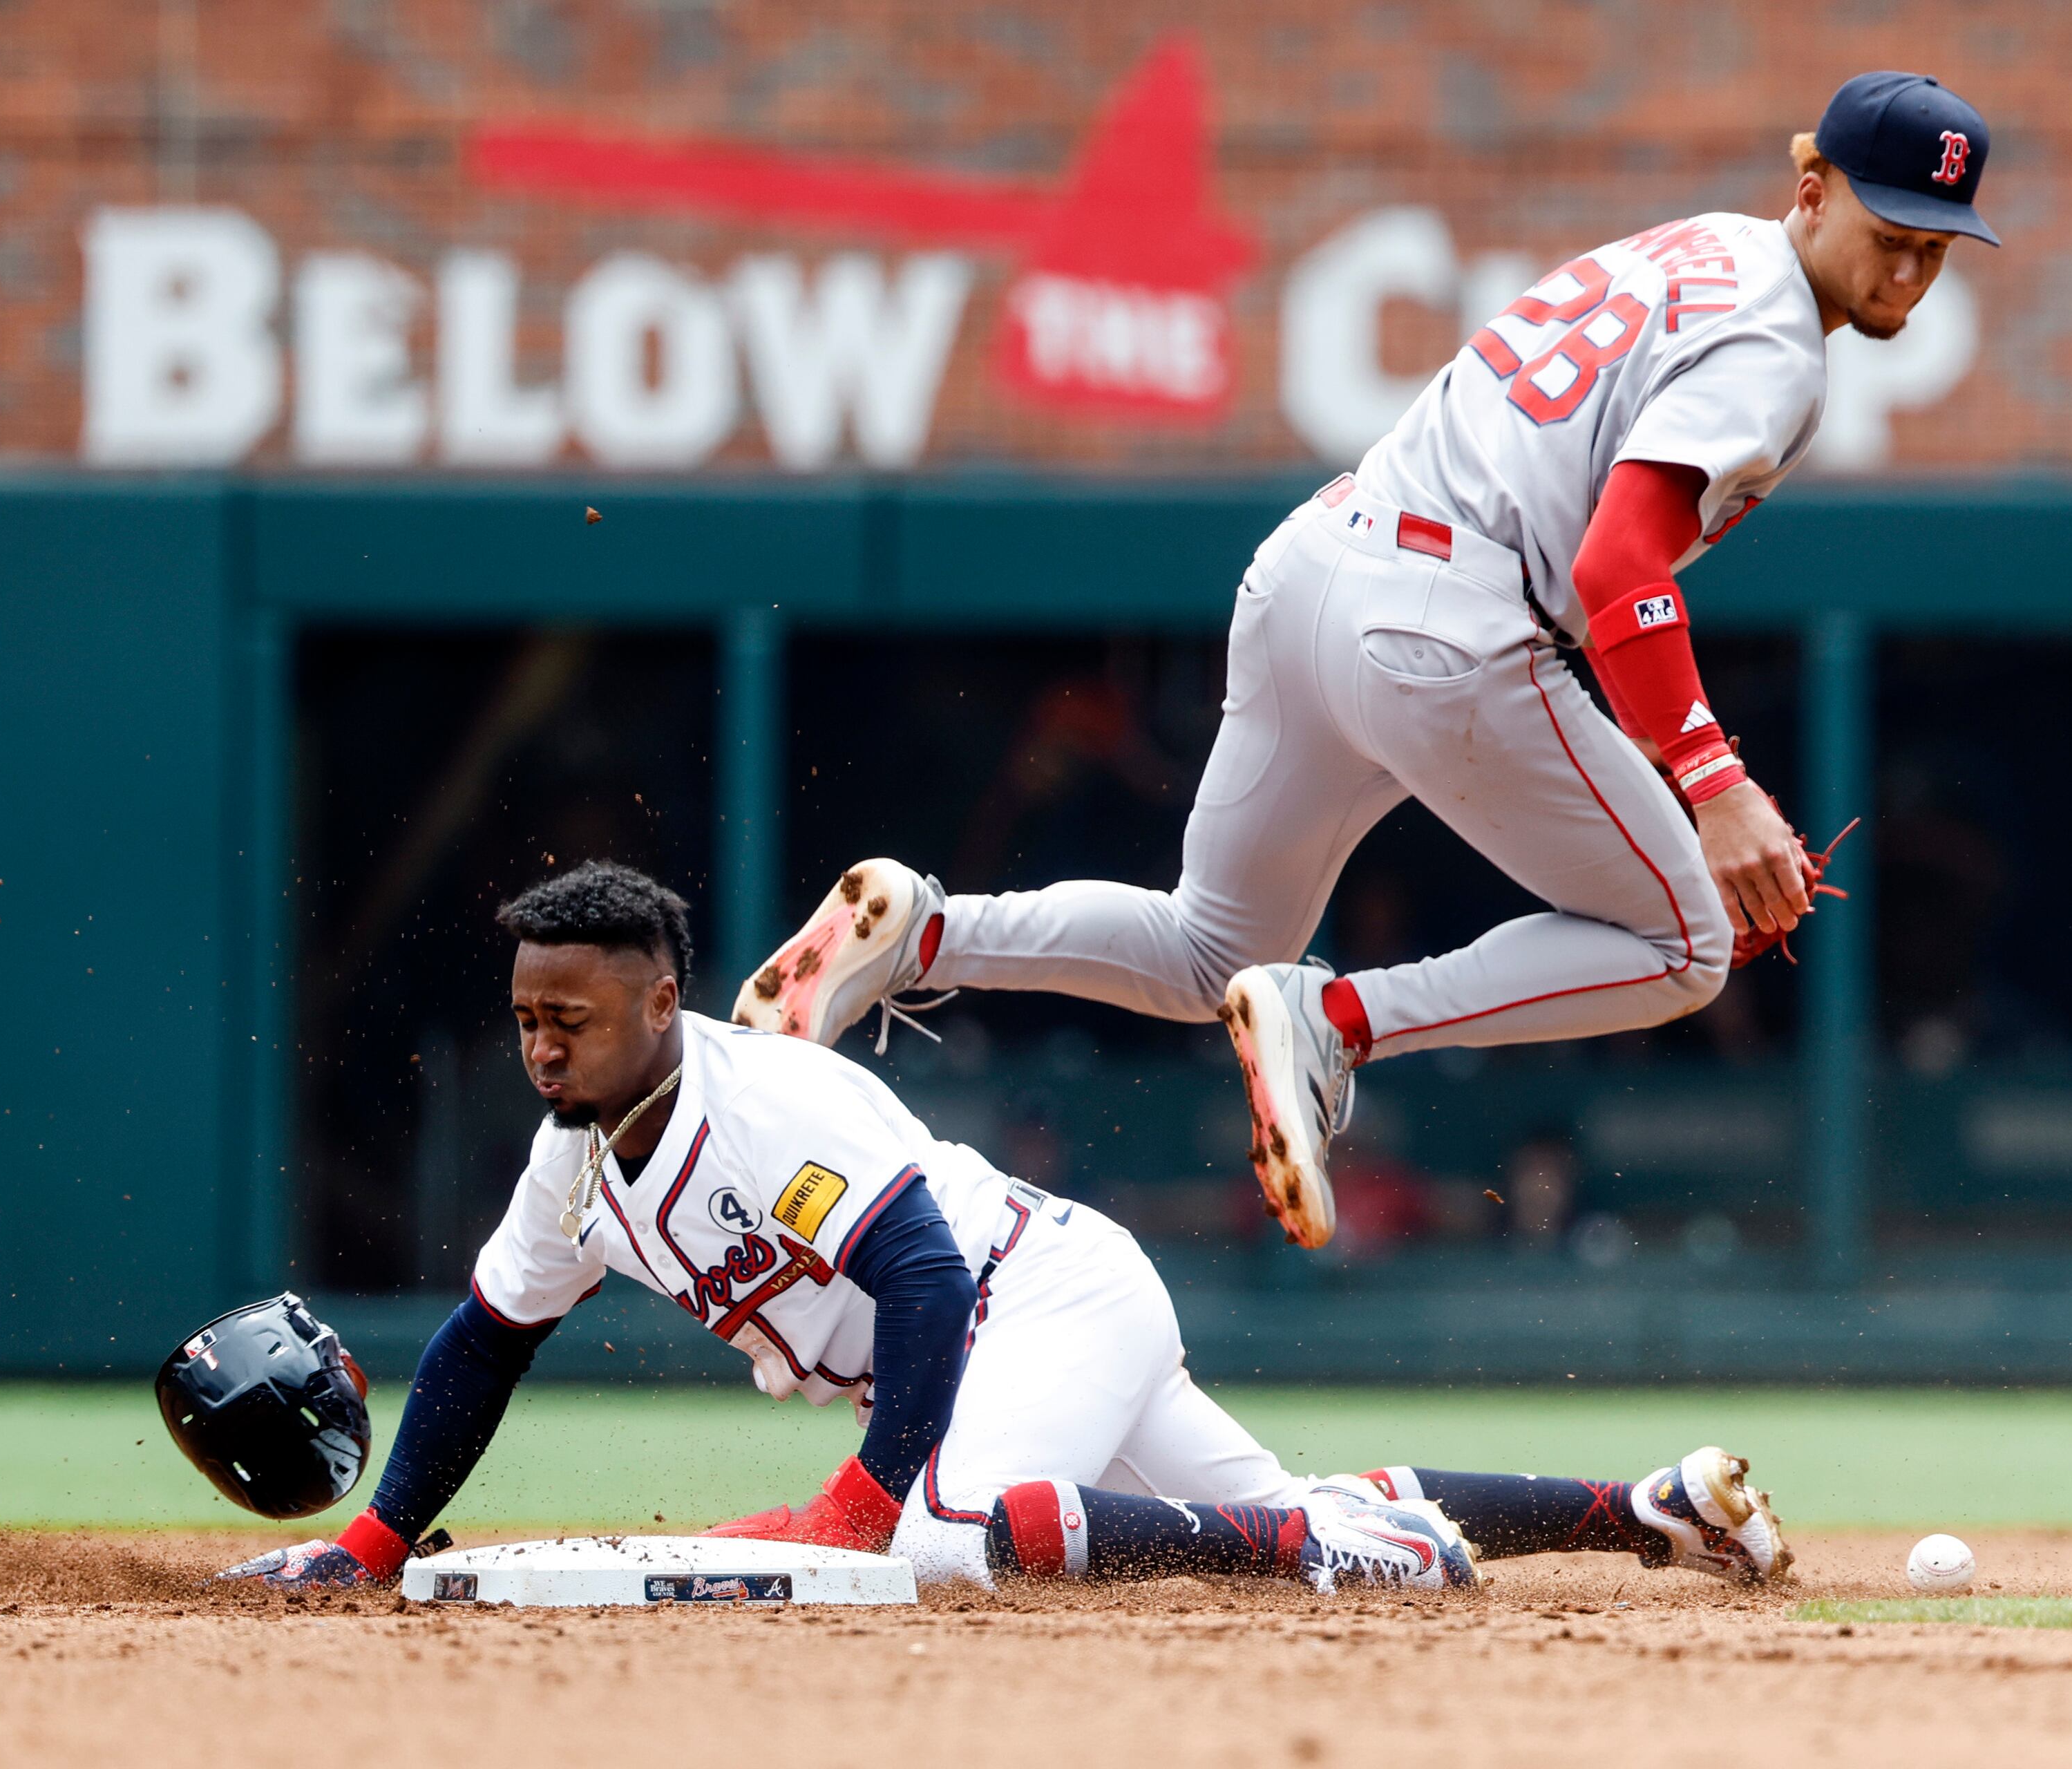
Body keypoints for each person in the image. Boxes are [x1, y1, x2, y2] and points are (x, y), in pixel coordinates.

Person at [732, 72, 1997, 1248]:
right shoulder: (1775, 342)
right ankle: (1339, 1023)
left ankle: (917, 932)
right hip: (1449, 617)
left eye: (1934, 247)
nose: (1908, 271)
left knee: (1205, 955)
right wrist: (1713, 783)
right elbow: (1618, 570)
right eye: (1890, 233)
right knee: (1680, 943)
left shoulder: (1705, 247)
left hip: (1320, 569)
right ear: (1812, 184)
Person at [224, 862, 1789, 1592]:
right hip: (1005, 1340)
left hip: (1031, 1302)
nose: (543, 1047)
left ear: (658, 999)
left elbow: (915, 1273)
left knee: (951, 1541)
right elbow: (482, 1343)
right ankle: (1635, 1507)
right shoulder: (571, 1163)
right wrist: (372, 1538)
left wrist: (863, 1494)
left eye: (571, 1015)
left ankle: (1334, 1551)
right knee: (1216, 1497)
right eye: (523, 1020)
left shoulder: (766, 1100)